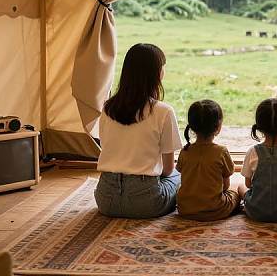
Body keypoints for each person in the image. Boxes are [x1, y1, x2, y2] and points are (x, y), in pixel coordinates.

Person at [94, 43, 182, 219]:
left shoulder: (107, 108)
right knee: (178, 175)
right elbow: (167, 169)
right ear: (157, 73)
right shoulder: (163, 111)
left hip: (106, 200)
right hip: (146, 203)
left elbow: (107, 147)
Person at [176, 99, 240, 221]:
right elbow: (225, 186)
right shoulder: (221, 151)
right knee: (236, 192)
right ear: (218, 126)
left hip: (185, 210)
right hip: (216, 210)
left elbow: (182, 176)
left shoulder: (185, 151)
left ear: (192, 126)